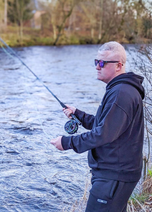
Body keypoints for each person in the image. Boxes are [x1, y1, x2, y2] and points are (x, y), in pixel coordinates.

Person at [50, 41, 145, 212]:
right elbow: (106, 126)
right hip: (114, 174)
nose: (97, 67)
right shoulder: (119, 90)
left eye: (102, 63)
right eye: (96, 62)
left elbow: (103, 134)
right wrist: (77, 113)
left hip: (114, 176)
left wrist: (66, 142)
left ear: (118, 66)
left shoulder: (121, 93)